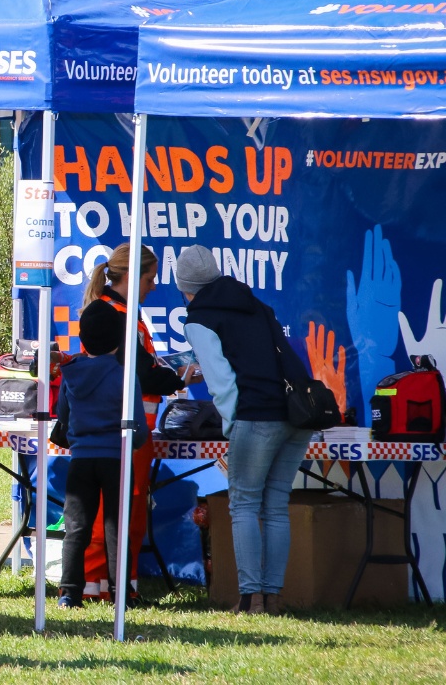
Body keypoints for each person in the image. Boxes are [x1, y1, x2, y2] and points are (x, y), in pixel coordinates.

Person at [176, 245, 311, 615]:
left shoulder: (199, 319)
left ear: (185, 287)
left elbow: (221, 382)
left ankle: (251, 599)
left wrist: (232, 425)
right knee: (276, 505)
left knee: (245, 505)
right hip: (296, 416)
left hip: (255, 415)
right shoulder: (255, 305)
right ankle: (273, 598)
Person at [76, 244, 197, 600]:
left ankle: (116, 584)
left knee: (126, 503)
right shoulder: (109, 313)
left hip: (131, 425)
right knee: (116, 505)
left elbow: (140, 367)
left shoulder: (123, 311)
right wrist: (179, 379)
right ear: (130, 275)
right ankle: (102, 585)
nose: (154, 285)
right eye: (149, 277)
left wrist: (172, 374)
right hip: (118, 426)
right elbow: (135, 372)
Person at [56, 301, 145, 608]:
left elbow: (61, 416)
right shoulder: (124, 375)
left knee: (76, 529)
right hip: (116, 460)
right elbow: (138, 428)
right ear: (120, 339)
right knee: (117, 529)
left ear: (83, 338)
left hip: (80, 460)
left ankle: (69, 592)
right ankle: (121, 594)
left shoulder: (71, 373)